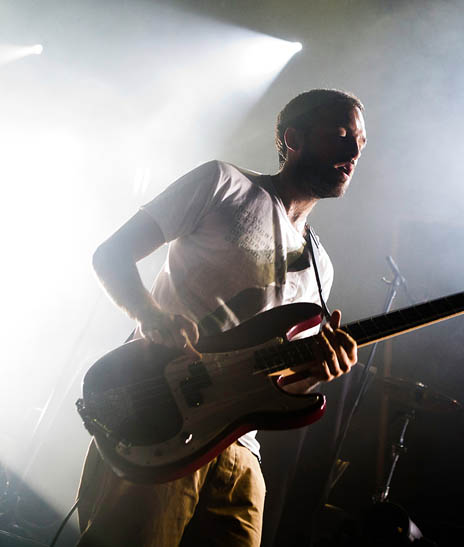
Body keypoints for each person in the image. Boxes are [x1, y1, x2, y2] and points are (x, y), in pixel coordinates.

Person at [76, 88, 366, 546]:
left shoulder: (320, 266)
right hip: (164, 421)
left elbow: (278, 377)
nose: (353, 152)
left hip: (242, 451)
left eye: (360, 144)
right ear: (294, 138)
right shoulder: (223, 184)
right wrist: (150, 314)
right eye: (340, 135)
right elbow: (110, 255)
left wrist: (314, 371)